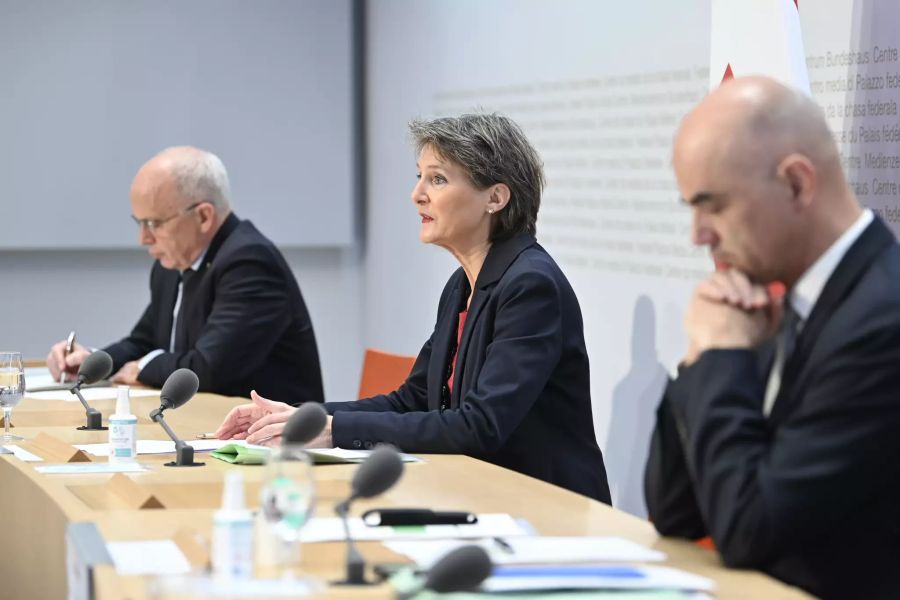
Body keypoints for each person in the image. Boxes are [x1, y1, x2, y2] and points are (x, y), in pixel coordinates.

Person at [216, 114, 611, 502]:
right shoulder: (463, 284)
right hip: (486, 496)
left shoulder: (530, 286)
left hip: (549, 507)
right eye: (419, 176)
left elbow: (481, 425)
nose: (417, 193)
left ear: (495, 197)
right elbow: (414, 400)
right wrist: (301, 416)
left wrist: (336, 430)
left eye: (437, 179)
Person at [644, 76, 900, 599]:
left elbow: (747, 529)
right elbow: (674, 510)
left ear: (797, 184)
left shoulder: (882, 319)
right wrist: (701, 357)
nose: (697, 235)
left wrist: (720, 354)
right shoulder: (781, 302)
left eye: (713, 206)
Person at [47, 146, 324, 404]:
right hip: (207, 426)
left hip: (271, 444)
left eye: (154, 223)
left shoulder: (249, 263)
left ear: (203, 217)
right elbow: (145, 341)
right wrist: (91, 362)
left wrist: (142, 368)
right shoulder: (174, 262)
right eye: (140, 223)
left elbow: (207, 369)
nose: (143, 238)